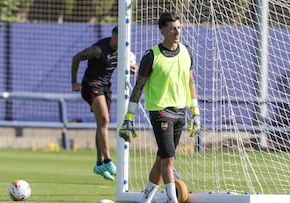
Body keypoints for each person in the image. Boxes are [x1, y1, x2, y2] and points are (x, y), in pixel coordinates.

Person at [119, 12, 201, 203]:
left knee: (162, 157)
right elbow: (139, 86)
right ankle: (172, 201)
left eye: (179, 27)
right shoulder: (151, 55)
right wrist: (129, 116)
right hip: (160, 111)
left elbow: (191, 82)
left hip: (181, 111)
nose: (177, 31)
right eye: (173, 28)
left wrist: (195, 111)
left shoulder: (186, 51)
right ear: (162, 30)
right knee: (169, 160)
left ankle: (145, 200)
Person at [71, 26, 138, 181]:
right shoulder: (98, 49)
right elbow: (77, 57)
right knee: (105, 121)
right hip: (91, 86)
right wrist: (74, 82)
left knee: (102, 124)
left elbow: (129, 64)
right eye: (120, 40)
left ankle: (99, 163)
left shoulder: (123, 51)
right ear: (114, 38)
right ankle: (107, 161)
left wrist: (132, 68)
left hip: (105, 88)